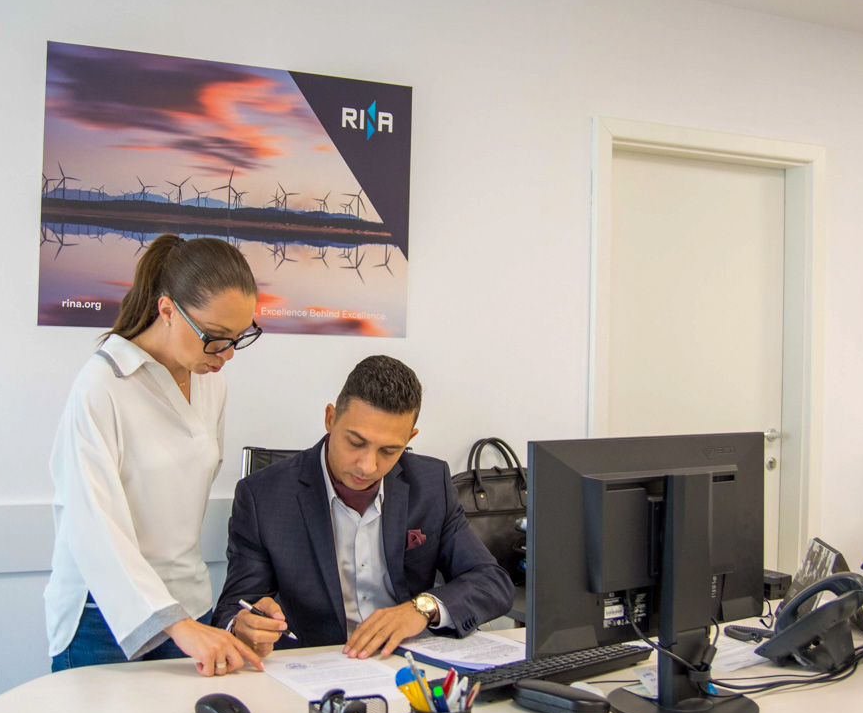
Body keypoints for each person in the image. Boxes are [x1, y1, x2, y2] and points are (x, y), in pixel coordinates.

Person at [46, 234, 266, 677]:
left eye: (239, 337)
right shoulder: (102, 385)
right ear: (167, 310)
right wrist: (176, 625)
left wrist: (192, 621)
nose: (227, 354)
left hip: (190, 604)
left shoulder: (211, 381)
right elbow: (91, 523)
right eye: (215, 338)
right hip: (105, 615)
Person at [214, 355, 515, 660]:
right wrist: (242, 626)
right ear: (331, 419)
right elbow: (233, 609)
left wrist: (421, 609)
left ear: (409, 438)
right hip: (313, 664)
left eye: (389, 450)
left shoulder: (431, 484)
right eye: (356, 443)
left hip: (405, 663)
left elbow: (492, 581)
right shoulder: (262, 496)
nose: (368, 466)